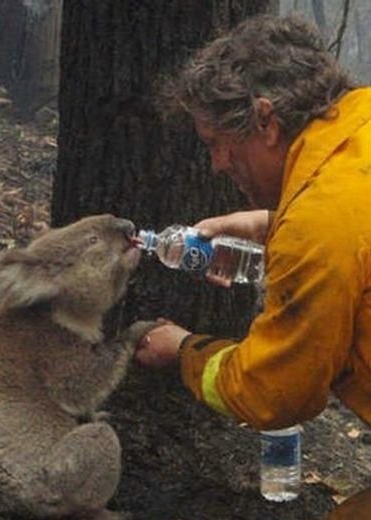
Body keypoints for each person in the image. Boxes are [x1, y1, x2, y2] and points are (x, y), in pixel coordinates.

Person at [135, 13, 371, 520]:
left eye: (218, 143)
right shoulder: (360, 133)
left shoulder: (320, 223)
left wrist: (184, 351)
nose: (217, 163)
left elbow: (276, 394)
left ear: (266, 120)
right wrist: (268, 224)